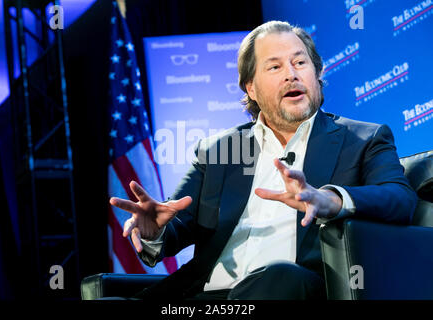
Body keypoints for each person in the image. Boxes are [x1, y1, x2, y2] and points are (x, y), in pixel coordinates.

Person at [109, 21, 417, 300]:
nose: (292, 74)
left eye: (300, 62)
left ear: (317, 74)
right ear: (251, 88)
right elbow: (177, 223)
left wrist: (330, 200)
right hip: (206, 297)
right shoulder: (219, 151)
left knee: (277, 279)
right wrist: (154, 230)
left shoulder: (363, 139)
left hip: (293, 287)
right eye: (274, 67)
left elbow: (400, 199)